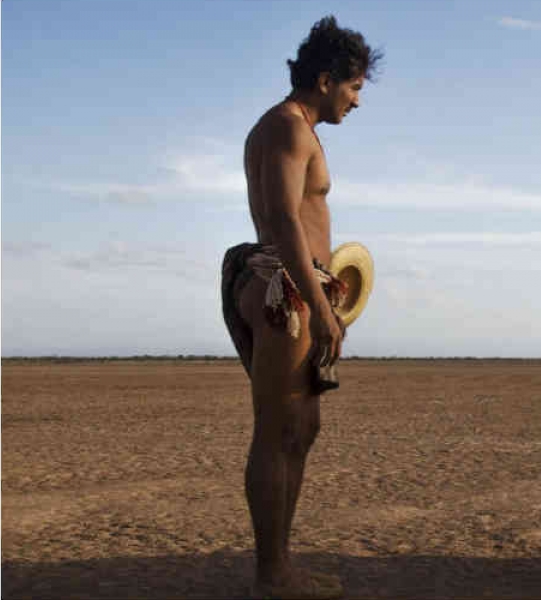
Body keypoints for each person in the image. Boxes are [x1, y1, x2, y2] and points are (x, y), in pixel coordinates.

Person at [220, 15, 381, 599]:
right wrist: (317, 301)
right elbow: (287, 218)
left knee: (301, 429)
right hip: (284, 292)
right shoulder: (288, 127)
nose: (357, 101)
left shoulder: (292, 128)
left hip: (293, 286)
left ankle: (280, 564)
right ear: (324, 79)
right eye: (355, 87)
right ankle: (272, 574)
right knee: (276, 431)